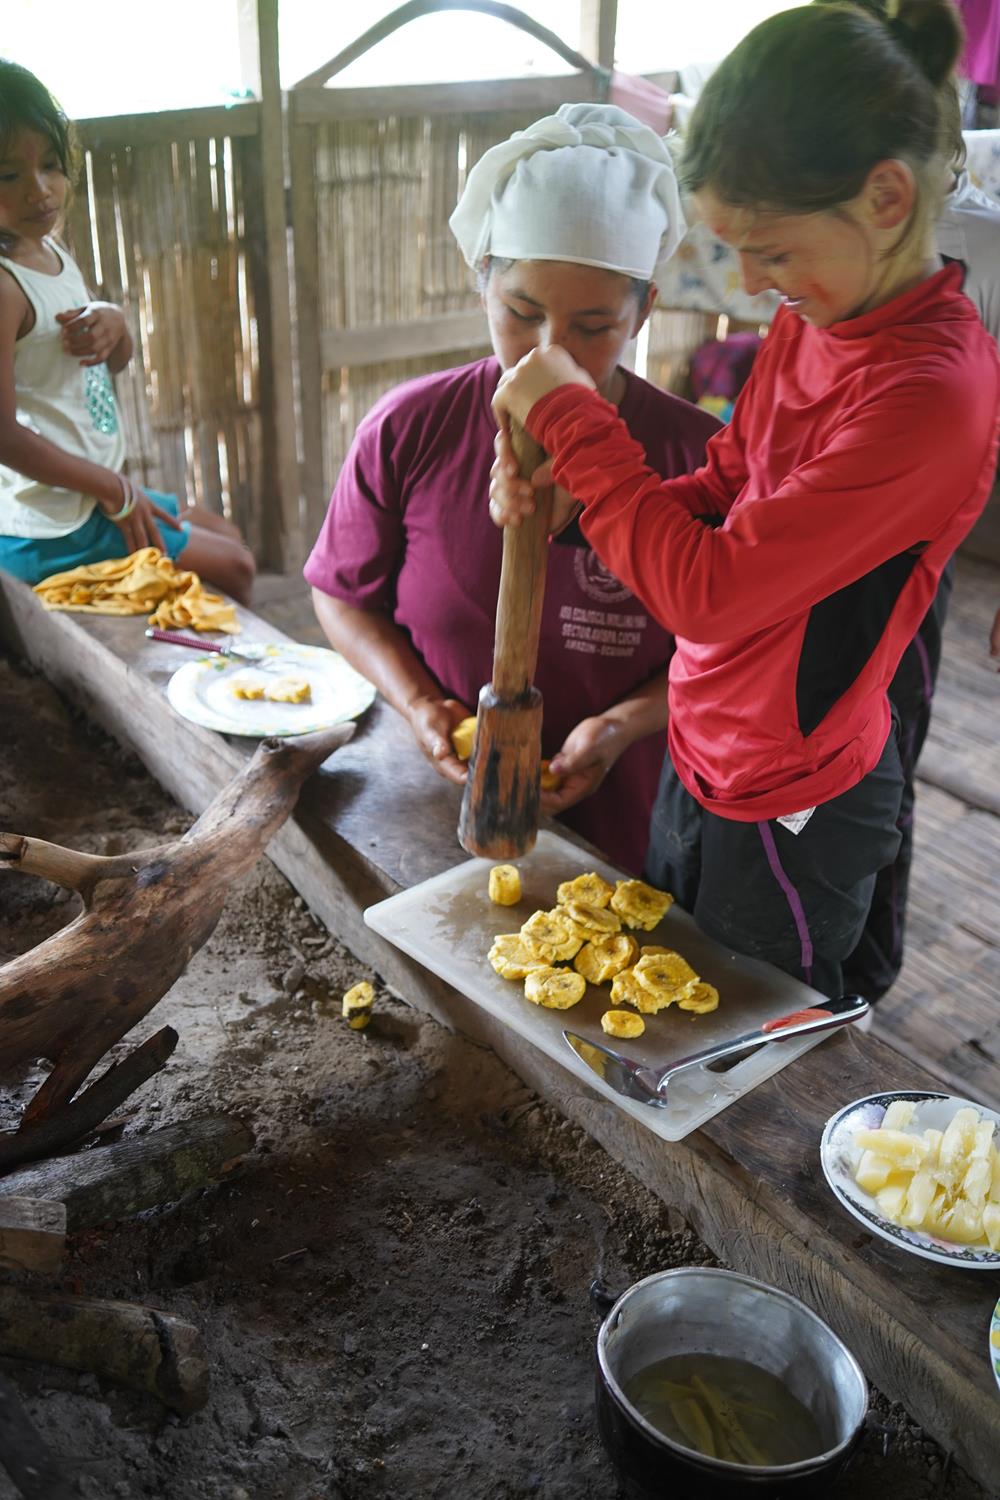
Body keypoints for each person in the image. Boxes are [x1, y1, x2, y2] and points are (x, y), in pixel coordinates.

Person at [489, 1, 1000, 998]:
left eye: (769, 251)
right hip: (708, 738)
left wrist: (576, 424)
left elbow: (711, 593)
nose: (757, 285)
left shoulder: (931, 395)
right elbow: (728, 482)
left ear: (886, 197)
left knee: (751, 1038)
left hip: (794, 794)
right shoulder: (825, 313)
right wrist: (579, 509)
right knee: (668, 990)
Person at [304, 105, 719, 872]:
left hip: (624, 826)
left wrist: (626, 724)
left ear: (644, 312)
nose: (549, 353)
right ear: (482, 286)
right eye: (522, 314)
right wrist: (419, 704)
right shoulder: (408, 428)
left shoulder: (696, 457)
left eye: (593, 327)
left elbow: (734, 645)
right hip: (426, 806)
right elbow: (341, 595)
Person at [0, 60, 254, 603]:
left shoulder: (48, 253)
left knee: (227, 534)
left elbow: (109, 365)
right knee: (237, 566)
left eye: (50, 165)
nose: (40, 191)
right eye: (9, 176)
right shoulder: (3, 287)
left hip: (86, 495)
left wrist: (114, 323)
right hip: (51, 526)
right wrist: (116, 489)